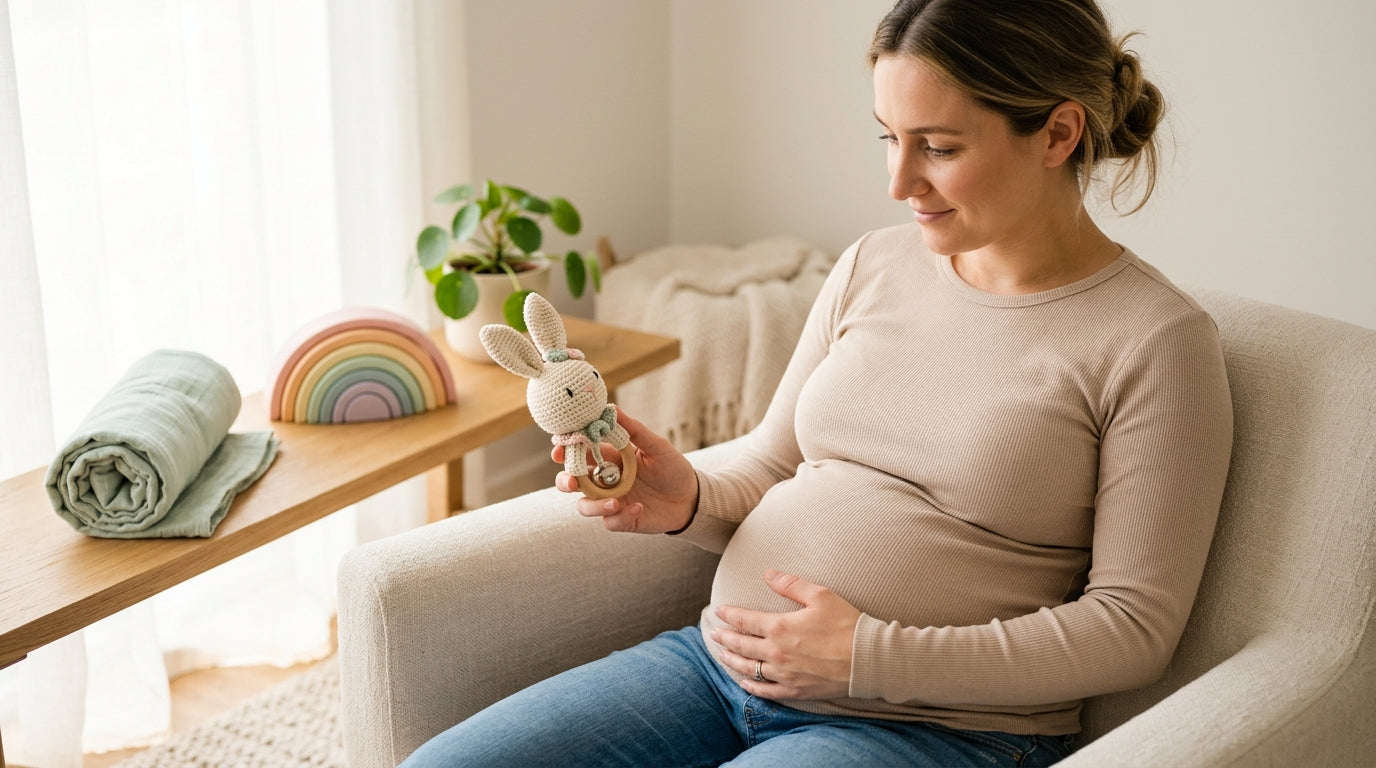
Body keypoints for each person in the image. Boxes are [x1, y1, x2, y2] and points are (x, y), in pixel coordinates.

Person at [400, 0, 1234, 765]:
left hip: (932, 729)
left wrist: (871, 656)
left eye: (938, 148)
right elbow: (771, 466)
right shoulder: (874, 262)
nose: (898, 182)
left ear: (1057, 134)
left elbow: (1133, 628)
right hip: (717, 665)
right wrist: (684, 496)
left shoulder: (1154, 342)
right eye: (888, 137)